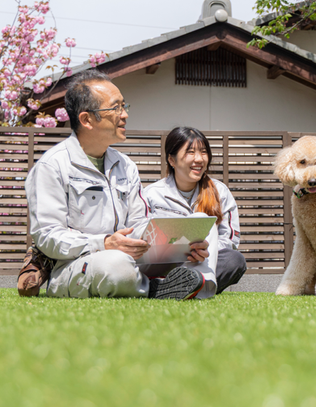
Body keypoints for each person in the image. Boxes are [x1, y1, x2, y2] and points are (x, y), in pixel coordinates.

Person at [17, 70, 205, 300]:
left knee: (199, 228)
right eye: (115, 108)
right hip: (76, 266)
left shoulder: (125, 165)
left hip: (132, 258)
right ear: (86, 119)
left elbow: (139, 223)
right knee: (115, 264)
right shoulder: (52, 166)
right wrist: (104, 243)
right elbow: (47, 236)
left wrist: (177, 243)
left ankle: (180, 282)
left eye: (124, 106)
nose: (124, 114)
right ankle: (157, 288)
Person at [144, 127, 247, 297]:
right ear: (171, 160)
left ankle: (172, 287)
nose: (199, 159)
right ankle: (185, 286)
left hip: (205, 261)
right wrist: (176, 251)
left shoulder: (220, 192)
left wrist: (204, 250)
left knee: (234, 260)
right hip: (165, 265)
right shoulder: (152, 194)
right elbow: (144, 238)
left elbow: (230, 240)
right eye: (190, 152)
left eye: (203, 152)